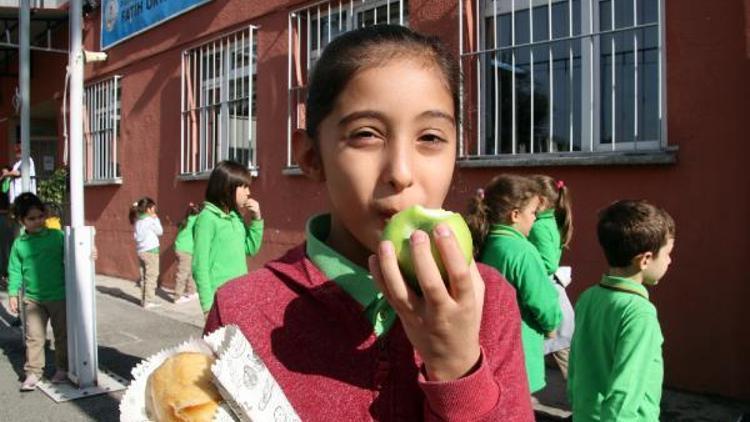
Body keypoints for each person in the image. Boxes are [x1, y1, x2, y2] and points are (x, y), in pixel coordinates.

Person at [204, 25, 533, 420]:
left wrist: (457, 366)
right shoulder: (242, 309)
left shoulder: (487, 299)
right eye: (365, 134)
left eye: (430, 137)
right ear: (312, 157)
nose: (400, 172)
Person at [567, 200, 675, 421]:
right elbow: (625, 390)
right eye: (667, 253)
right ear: (645, 260)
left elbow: (575, 366)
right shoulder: (640, 313)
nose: (670, 260)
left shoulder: (588, 297)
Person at [466, 174, 561, 394]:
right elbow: (543, 301)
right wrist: (551, 326)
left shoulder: (485, 242)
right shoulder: (522, 251)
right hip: (519, 350)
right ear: (515, 215)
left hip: (489, 348)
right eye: (533, 213)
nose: (535, 219)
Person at [6, 192, 67, 391]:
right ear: (21, 220)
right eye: (31, 218)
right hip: (33, 299)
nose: (37, 221)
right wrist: (13, 293)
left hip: (59, 295)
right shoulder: (20, 244)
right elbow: (14, 270)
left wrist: (90, 253)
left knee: (62, 335)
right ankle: (33, 373)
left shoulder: (57, 236)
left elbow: (76, 253)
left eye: (40, 216)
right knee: (34, 337)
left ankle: (63, 368)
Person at [192, 160, 263, 313]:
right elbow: (200, 266)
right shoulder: (207, 218)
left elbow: (250, 249)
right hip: (220, 301)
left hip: (241, 294)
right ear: (227, 187)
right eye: (243, 186)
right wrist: (207, 307)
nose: (248, 192)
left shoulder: (235, 216)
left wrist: (256, 218)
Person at [527, 174, 575, 379]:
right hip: (553, 295)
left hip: (549, 294)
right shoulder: (551, 220)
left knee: (566, 360)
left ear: (542, 201)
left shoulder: (538, 226)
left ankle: (583, 406)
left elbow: (548, 263)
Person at [130, 197, 163, 308]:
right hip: (151, 251)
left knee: (144, 277)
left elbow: (137, 237)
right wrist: (156, 219)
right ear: (148, 209)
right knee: (152, 276)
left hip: (141, 251)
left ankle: (144, 300)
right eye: (153, 207)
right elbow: (160, 231)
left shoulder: (138, 220)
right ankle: (149, 301)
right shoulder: (149, 220)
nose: (155, 209)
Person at [173, 202, 201, 304]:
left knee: (189, 271)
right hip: (186, 250)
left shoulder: (186, 220)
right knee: (183, 273)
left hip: (180, 248)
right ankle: (177, 297)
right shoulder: (196, 221)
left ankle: (192, 292)